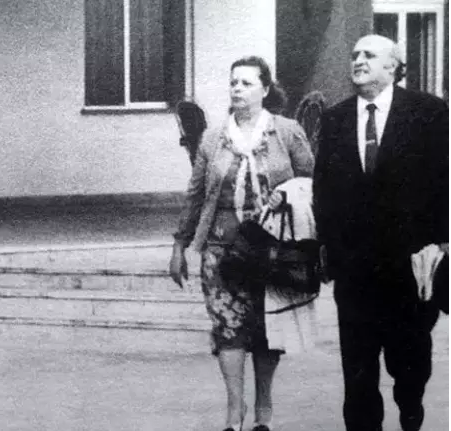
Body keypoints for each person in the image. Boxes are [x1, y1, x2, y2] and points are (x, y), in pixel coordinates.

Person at [169, 56, 315, 431]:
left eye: (246, 83)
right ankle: (235, 409)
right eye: (233, 82)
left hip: (273, 248)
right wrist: (180, 245)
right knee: (227, 327)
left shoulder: (287, 132)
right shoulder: (213, 137)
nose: (237, 88)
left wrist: (289, 194)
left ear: (265, 89)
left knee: (267, 330)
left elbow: (314, 181)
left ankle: (264, 406)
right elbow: (196, 194)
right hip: (221, 249)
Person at [313, 34, 448, 431]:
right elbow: (324, 187)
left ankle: (410, 407)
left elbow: (444, 178)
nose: (358, 61)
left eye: (369, 55)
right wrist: (328, 248)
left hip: (411, 264)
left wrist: (442, 242)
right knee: (357, 367)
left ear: (393, 65)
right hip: (354, 268)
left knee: (409, 360)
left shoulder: (427, 112)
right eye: (355, 54)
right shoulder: (335, 119)